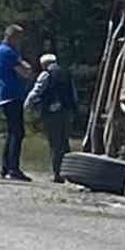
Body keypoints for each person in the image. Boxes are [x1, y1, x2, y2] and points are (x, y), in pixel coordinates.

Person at [26, 53, 76, 183]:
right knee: (65, 143)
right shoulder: (66, 73)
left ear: (44, 64)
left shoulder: (46, 74)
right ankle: (69, 172)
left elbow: (37, 91)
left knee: (55, 143)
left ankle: (57, 174)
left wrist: (27, 105)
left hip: (52, 112)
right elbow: (73, 94)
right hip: (66, 111)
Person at [0, 24, 34, 181]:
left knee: (12, 132)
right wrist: (27, 69)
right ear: (12, 36)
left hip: (7, 95)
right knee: (17, 132)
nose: (20, 41)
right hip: (11, 95)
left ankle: (6, 167)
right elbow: (23, 71)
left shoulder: (3, 50)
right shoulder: (8, 52)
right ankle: (13, 168)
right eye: (19, 38)